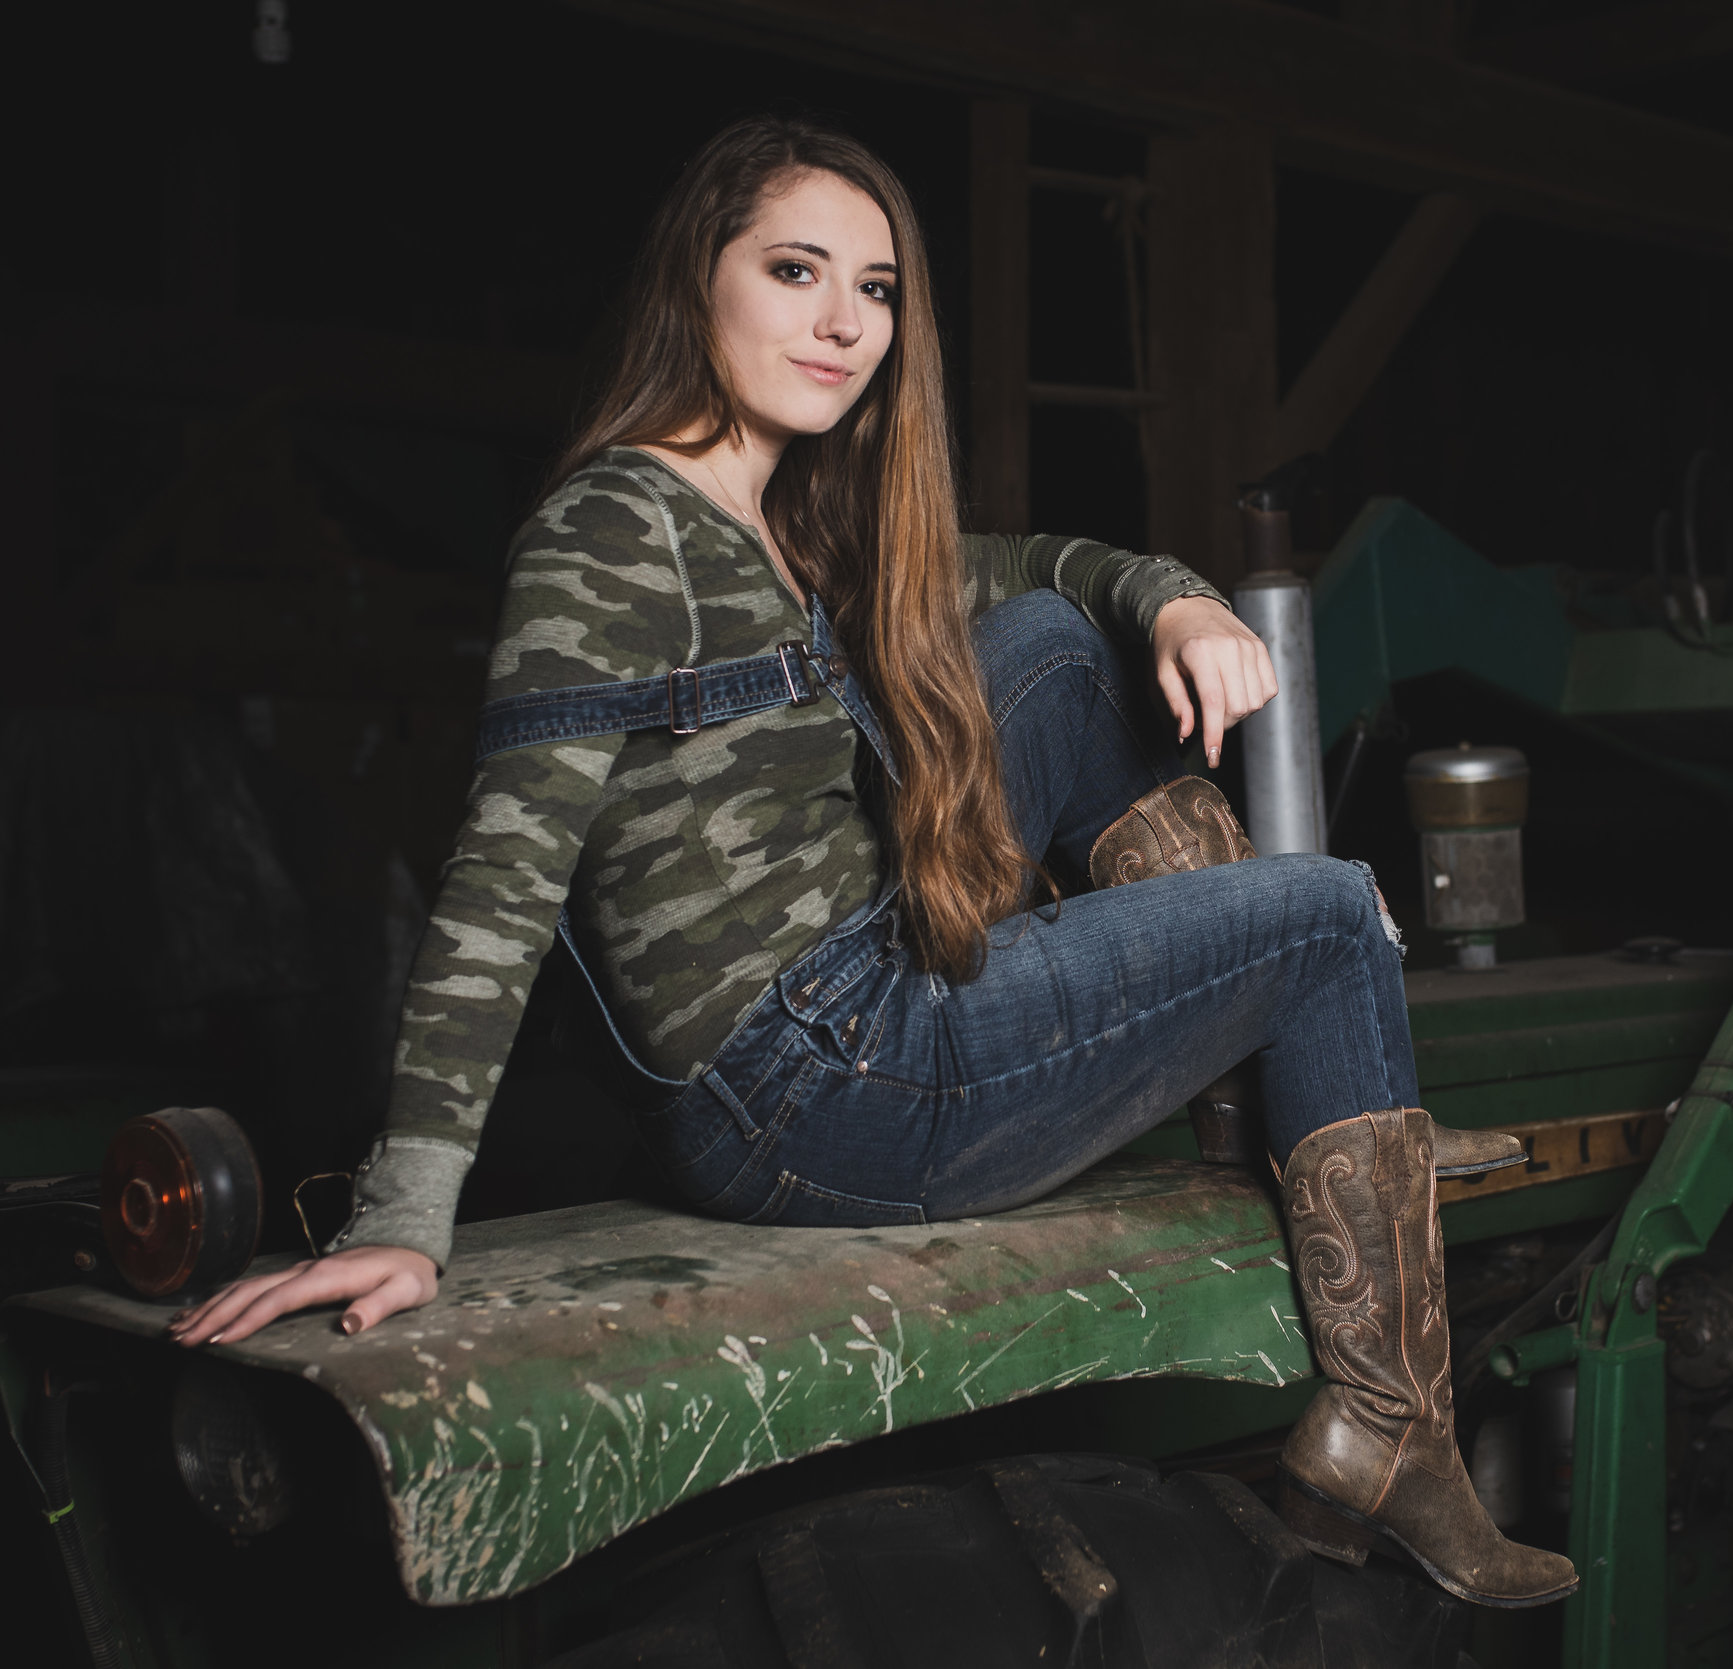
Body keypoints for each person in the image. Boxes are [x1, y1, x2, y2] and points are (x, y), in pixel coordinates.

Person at [167, 115, 1573, 1608]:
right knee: (1331, 921)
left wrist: (1172, 598)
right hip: (814, 1086)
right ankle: (1392, 1422)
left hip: (853, 994)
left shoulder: (781, 526)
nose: (846, 324)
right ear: (696, 285)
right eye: (795, 271)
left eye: (880, 289)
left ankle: (1273, 1096)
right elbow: (502, 882)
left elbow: (1035, 569)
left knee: (1047, 645)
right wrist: (404, 1215)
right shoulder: (610, 534)